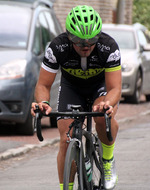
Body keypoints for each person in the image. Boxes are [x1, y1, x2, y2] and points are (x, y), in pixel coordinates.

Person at [31, 5, 122, 190]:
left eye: (91, 40)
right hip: (71, 88)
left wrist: (108, 104)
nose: (86, 45)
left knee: (104, 116)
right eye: (79, 41)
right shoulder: (57, 47)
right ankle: (67, 187)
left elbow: (115, 88)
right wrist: (43, 103)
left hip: (100, 88)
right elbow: (43, 85)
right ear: (69, 36)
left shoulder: (109, 46)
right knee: (66, 139)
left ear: (99, 35)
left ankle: (107, 160)